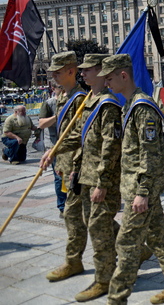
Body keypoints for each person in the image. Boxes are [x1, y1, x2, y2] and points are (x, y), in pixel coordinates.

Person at [101, 54, 164, 304]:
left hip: (140, 190)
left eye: (109, 78)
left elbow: (150, 154)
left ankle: (116, 299)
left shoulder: (142, 108)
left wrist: (143, 192)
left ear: (123, 75)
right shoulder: (130, 105)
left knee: (127, 243)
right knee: (159, 238)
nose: (106, 83)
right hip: (136, 187)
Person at [42, 54, 131, 302]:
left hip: (102, 179)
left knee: (98, 228)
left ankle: (105, 280)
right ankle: (114, 266)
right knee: (91, 223)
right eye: (80, 70)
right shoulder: (92, 101)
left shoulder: (108, 105)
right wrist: (55, 150)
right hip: (85, 175)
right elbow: (80, 138)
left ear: (102, 71)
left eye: (87, 70)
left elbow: (110, 147)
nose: (82, 74)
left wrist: (102, 183)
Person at [42, 52, 88, 283]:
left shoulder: (80, 99)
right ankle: (137, 249)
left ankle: (73, 261)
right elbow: (62, 134)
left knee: (74, 213)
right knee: (85, 214)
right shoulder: (63, 97)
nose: (53, 75)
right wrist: (58, 160)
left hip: (77, 167)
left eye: (58, 71)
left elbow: (82, 137)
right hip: (66, 165)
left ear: (72, 71)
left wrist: (74, 166)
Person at [38, 82, 66, 216]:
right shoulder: (48, 103)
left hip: (68, 144)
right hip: (53, 144)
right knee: (59, 177)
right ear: (54, 88)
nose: (62, 89)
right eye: (60, 87)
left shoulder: (70, 101)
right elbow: (42, 124)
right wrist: (57, 117)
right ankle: (62, 206)